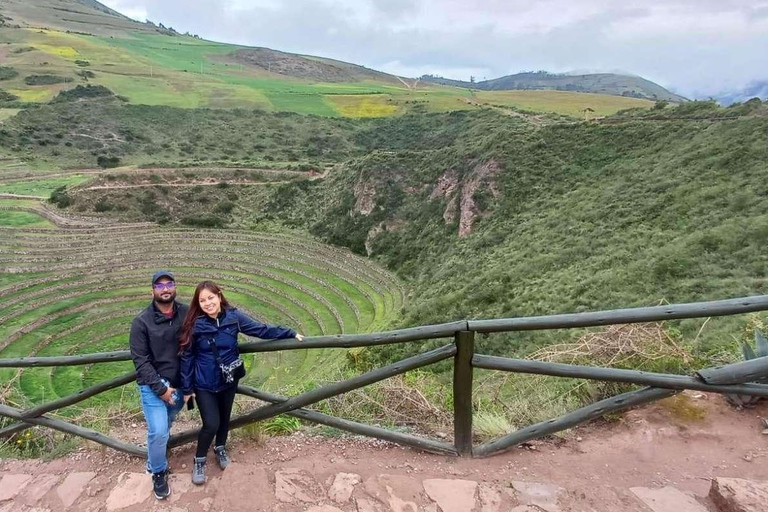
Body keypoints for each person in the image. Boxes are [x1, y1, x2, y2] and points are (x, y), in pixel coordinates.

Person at [179, 280, 304, 485]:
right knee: (211, 423)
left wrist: (288, 332)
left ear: (219, 296)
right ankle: (199, 459)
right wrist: (187, 388)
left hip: (228, 381)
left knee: (225, 419)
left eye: (211, 297)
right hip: (204, 384)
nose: (208, 303)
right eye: (202, 300)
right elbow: (187, 357)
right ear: (198, 304)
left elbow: (260, 330)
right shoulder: (195, 325)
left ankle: (220, 448)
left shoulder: (233, 317)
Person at [129, 270, 189, 500]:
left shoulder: (186, 313)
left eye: (169, 284)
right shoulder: (141, 322)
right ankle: (158, 472)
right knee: (159, 430)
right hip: (153, 385)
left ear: (175, 288)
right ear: (152, 291)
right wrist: (162, 391)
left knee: (166, 424)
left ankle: (153, 459)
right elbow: (141, 362)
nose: (165, 289)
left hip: (180, 383)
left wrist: (189, 385)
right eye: (159, 286)